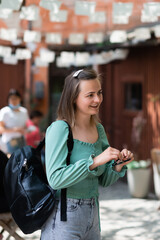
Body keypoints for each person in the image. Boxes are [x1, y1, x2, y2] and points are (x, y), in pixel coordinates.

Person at [41, 69, 134, 240]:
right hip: (64, 215)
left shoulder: (98, 129)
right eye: (90, 95)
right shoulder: (60, 129)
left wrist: (119, 164)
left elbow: (104, 180)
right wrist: (95, 161)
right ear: (73, 98)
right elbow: (55, 179)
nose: (97, 99)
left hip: (93, 214)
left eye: (99, 93)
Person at [0, 89, 28, 154]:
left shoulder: (24, 111)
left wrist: (25, 130)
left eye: (15, 98)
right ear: (8, 100)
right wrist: (15, 130)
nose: (13, 101)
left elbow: (26, 125)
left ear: (20, 99)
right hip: (9, 141)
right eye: (11, 99)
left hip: (22, 140)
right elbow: (1, 129)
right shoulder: (4, 111)